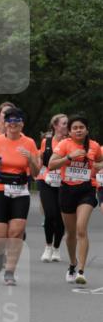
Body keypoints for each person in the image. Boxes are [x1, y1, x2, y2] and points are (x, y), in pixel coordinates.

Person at [0, 107, 39, 286]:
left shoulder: (29, 143)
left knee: (16, 231)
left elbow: (36, 172)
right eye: (9, 120)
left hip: (20, 190)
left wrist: (31, 159)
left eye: (17, 120)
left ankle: (10, 271)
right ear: (5, 123)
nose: (13, 123)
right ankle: (0, 253)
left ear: (22, 123)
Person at [49, 114, 102, 285]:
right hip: (67, 190)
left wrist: (97, 166)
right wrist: (70, 157)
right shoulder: (64, 144)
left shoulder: (94, 146)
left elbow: (100, 163)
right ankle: (72, 263)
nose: (78, 130)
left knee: (81, 229)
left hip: (86, 190)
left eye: (81, 127)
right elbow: (51, 164)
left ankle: (81, 270)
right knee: (71, 233)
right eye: (75, 128)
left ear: (87, 130)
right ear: (70, 131)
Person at [36, 114, 68, 262]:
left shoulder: (71, 142)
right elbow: (41, 161)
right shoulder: (46, 142)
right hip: (47, 181)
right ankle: (48, 247)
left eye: (67, 124)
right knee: (50, 214)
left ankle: (56, 248)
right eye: (63, 123)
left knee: (61, 216)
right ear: (55, 125)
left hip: (64, 182)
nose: (66, 126)